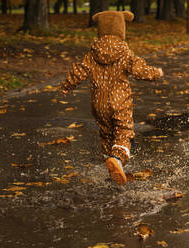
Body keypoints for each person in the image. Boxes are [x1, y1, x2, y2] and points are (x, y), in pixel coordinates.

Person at [60, 11, 164, 185]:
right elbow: (139, 69)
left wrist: (67, 85)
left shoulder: (92, 53)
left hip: (98, 103)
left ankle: (112, 167)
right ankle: (117, 159)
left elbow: (80, 70)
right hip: (120, 102)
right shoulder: (124, 52)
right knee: (123, 131)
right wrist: (156, 73)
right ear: (121, 29)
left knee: (106, 134)